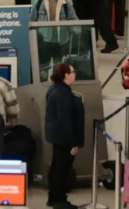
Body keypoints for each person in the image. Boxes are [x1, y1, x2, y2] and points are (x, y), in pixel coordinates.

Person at [45, 62, 84, 209]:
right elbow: (65, 119)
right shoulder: (63, 94)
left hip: (57, 136)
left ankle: (54, 197)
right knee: (62, 169)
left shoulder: (55, 89)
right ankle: (59, 200)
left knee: (57, 167)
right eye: (73, 72)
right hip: (64, 138)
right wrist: (73, 143)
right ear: (66, 75)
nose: (75, 75)